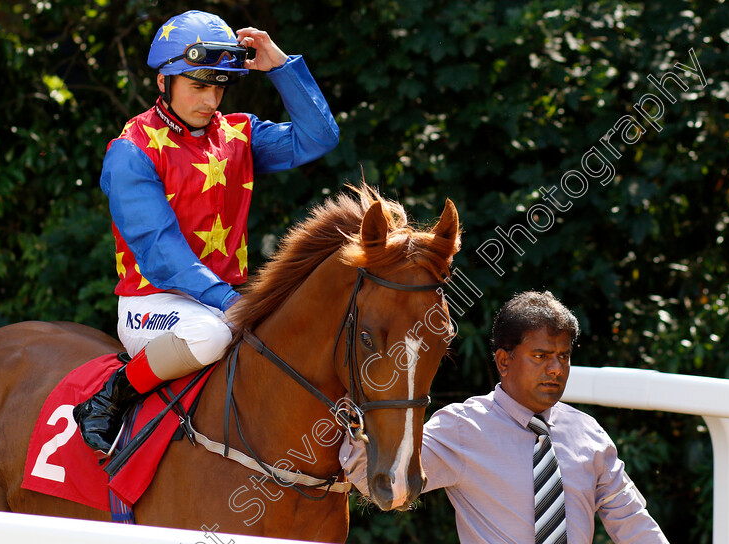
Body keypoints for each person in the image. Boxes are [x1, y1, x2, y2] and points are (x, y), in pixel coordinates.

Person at [73, 10, 340, 455]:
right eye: (198, 85)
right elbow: (161, 254)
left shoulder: (238, 134)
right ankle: (112, 394)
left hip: (226, 300)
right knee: (212, 336)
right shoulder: (131, 151)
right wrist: (233, 304)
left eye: (218, 86)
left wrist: (280, 66)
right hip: (153, 302)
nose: (210, 99)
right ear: (163, 82)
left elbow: (319, 138)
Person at [340, 291, 669, 543]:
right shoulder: (462, 427)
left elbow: (633, 523)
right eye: (540, 356)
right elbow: (388, 486)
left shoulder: (587, 432)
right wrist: (349, 422)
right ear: (503, 361)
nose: (555, 369)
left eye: (563, 357)